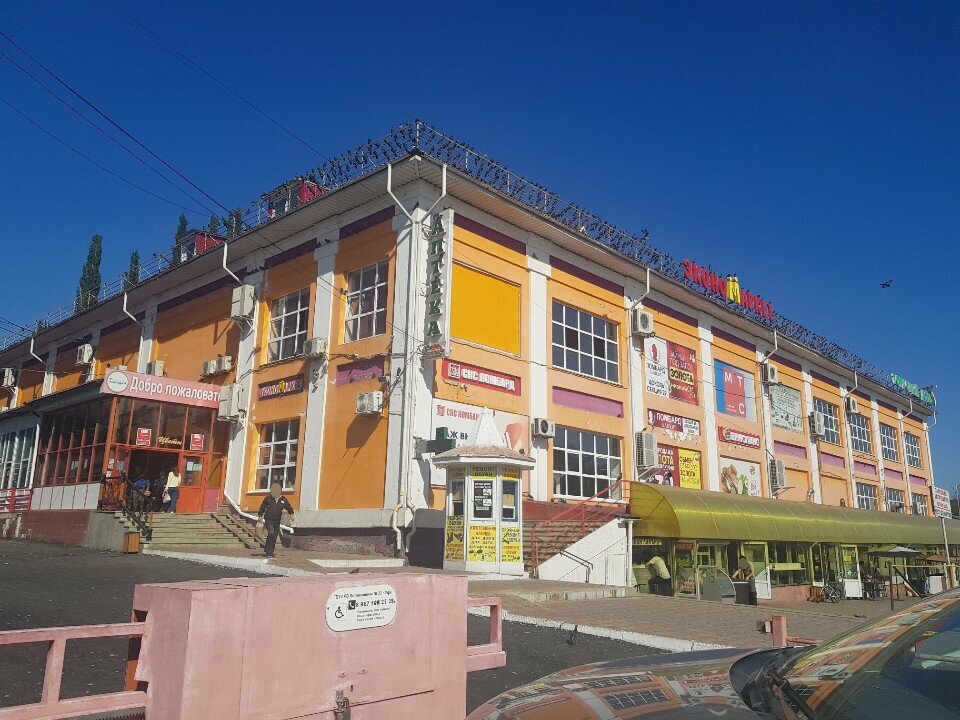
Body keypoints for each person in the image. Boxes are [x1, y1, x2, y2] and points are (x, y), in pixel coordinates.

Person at [257, 483, 295, 558]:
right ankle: (269, 552)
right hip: (268, 519)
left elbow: (288, 507)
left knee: (274, 535)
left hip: (277, 520)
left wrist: (291, 514)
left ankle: (269, 549)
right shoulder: (268, 498)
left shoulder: (283, 499)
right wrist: (260, 515)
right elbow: (262, 507)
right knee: (271, 533)